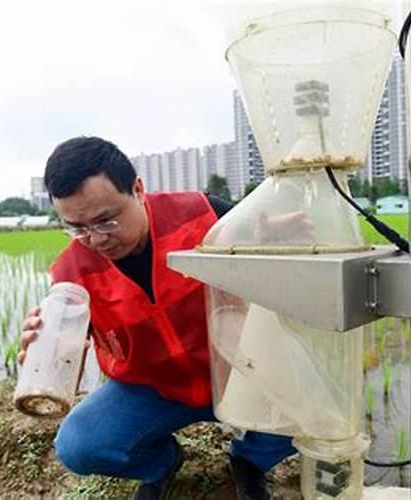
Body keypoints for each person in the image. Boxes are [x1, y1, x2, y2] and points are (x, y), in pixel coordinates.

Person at [19, 136, 295, 500]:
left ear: (137, 189)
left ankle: (251, 460)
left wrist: (282, 247)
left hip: (231, 370)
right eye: (77, 227)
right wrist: (40, 356)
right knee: (79, 445)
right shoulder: (71, 273)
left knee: (306, 395)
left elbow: (273, 265)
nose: (96, 239)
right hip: (151, 389)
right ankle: (161, 464)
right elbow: (66, 349)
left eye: (106, 220)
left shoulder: (206, 214)